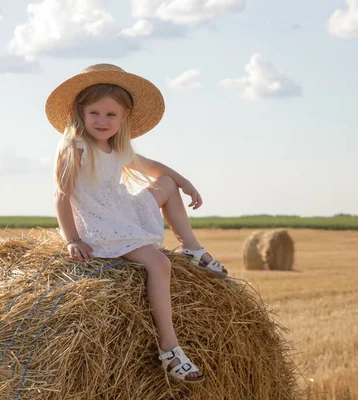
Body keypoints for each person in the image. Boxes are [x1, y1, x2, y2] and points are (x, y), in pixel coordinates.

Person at [46, 63, 228, 384]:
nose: (102, 121)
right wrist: (72, 239)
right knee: (159, 264)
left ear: (124, 116)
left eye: (110, 115)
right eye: (95, 113)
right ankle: (170, 350)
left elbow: (152, 168)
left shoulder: (117, 147)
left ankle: (192, 249)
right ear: (81, 112)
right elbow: (62, 197)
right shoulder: (75, 146)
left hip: (121, 210)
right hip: (99, 224)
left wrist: (184, 181)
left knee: (168, 184)